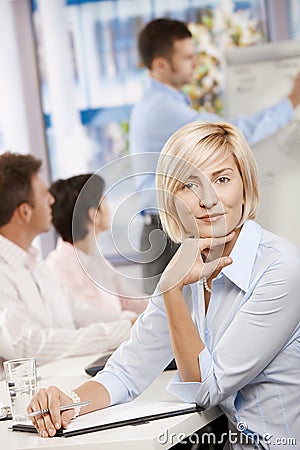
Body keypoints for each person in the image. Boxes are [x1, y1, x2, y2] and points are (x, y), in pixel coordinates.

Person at [28, 122, 300, 448]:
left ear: (246, 186)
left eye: (222, 179)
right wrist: (67, 401)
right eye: (189, 185)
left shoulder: (280, 269)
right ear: (171, 199)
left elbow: (206, 388)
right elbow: (126, 373)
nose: (208, 200)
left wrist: (170, 289)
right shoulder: (186, 267)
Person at [130, 17, 300, 295]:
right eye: (187, 58)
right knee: (174, 327)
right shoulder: (162, 108)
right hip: (167, 231)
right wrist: (290, 102)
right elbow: (229, 133)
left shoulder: (160, 102)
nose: (195, 63)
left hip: (165, 228)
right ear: (161, 65)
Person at [0, 152, 135, 372]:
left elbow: (79, 312)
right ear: (25, 211)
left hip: (66, 379)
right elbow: (28, 345)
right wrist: (119, 331)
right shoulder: (4, 274)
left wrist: (131, 322)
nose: (51, 201)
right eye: (44, 195)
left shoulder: (35, 263)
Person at [47, 174, 148, 322]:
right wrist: (137, 320)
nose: (109, 206)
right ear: (94, 215)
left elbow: (132, 299)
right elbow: (94, 320)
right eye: (104, 200)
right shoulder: (61, 268)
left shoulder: (93, 258)